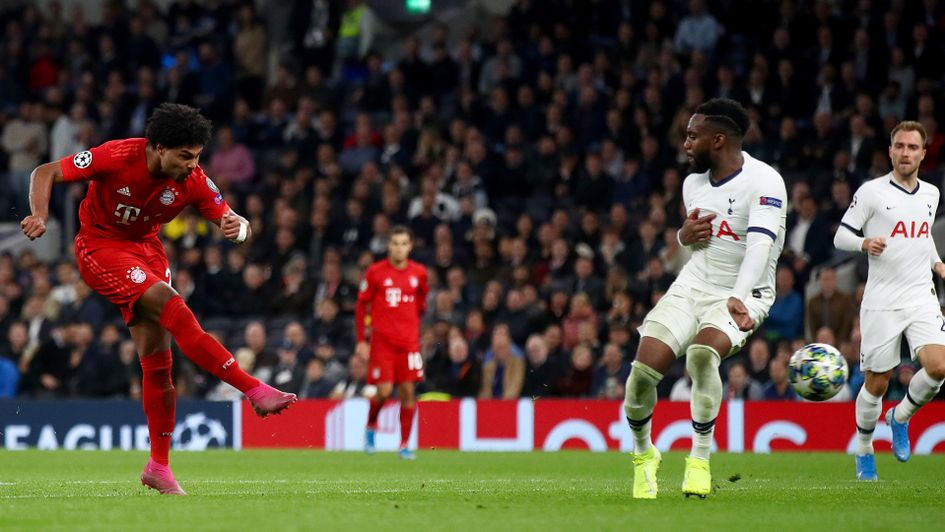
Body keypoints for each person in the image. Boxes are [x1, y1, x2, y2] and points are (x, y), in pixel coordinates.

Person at [20, 103, 297, 495]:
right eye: (185, 156)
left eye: (197, 156)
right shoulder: (116, 156)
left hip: (147, 252)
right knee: (176, 311)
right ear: (158, 148)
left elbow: (234, 223)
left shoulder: (193, 178)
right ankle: (254, 389)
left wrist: (240, 229)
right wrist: (40, 215)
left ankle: (158, 466)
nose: (192, 165)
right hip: (100, 247)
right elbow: (44, 171)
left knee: (158, 364)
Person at [622, 98, 787, 499]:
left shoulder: (766, 181)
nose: (685, 145)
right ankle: (644, 456)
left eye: (692, 136)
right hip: (694, 283)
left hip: (745, 292)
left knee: (700, 355)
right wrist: (682, 236)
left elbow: (759, 248)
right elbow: (693, 242)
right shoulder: (692, 183)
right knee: (641, 376)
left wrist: (738, 296)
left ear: (717, 140)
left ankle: (699, 458)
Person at [833, 120, 945, 481]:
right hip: (881, 300)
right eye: (900, 146)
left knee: (940, 367)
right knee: (877, 383)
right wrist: (864, 243)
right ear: (891, 150)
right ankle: (864, 449)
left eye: (913, 147)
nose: (906, 153)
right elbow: (841, 236)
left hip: (921, 295)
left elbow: (922, 234)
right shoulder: (871, 193)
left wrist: (937, 262)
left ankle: (900, 416)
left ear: (923, 153)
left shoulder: (931, 193)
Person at [355, 226, 428, 459]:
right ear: (389, 246)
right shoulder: (375, 272)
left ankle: (405, 444)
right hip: (382, 343)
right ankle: (370, 427)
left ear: (410, 246)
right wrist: (361, 340)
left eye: (403, 243)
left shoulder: (419, 273)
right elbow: (360, 306)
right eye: (395, 243)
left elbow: (421, 304)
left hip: (408, 344)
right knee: (384, 391)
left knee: (408, 392)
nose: (399, 248)